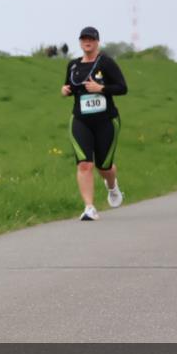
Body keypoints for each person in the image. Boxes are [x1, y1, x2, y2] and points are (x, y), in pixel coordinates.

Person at [61, 26, 127, 221]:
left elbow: (122, 88)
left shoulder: (106, 63)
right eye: (83, 39)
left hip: (106, 121)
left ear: (97, 41)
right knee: (85, 164)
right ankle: (89, 207)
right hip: (80, 120)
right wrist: (65, 91)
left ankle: (113, 187)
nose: (87, 42)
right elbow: (70, 87)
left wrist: (101, 88)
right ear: (80, 42)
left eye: (90, 39)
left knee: (104, 167)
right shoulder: (73, 65)